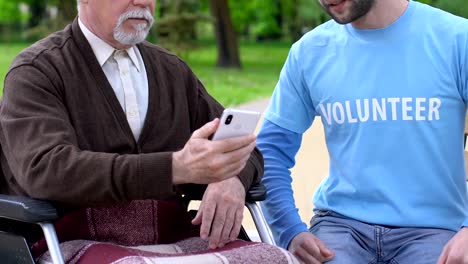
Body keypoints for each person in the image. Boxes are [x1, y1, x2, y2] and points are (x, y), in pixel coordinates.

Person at [0, 0, 297, 263]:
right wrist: (175, 168)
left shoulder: (172, 71)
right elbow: (46, 170)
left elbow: (249, 150)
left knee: (277, 258)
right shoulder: (36, 71)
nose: (143, 2)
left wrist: (232, 179)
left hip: (176, 234)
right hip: (72, 238)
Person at [257, 0, 468, 263]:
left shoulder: (457, 39)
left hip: (435, 229)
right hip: (341, 227)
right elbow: (269, 151)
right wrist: (289, 230)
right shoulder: (309, 52)